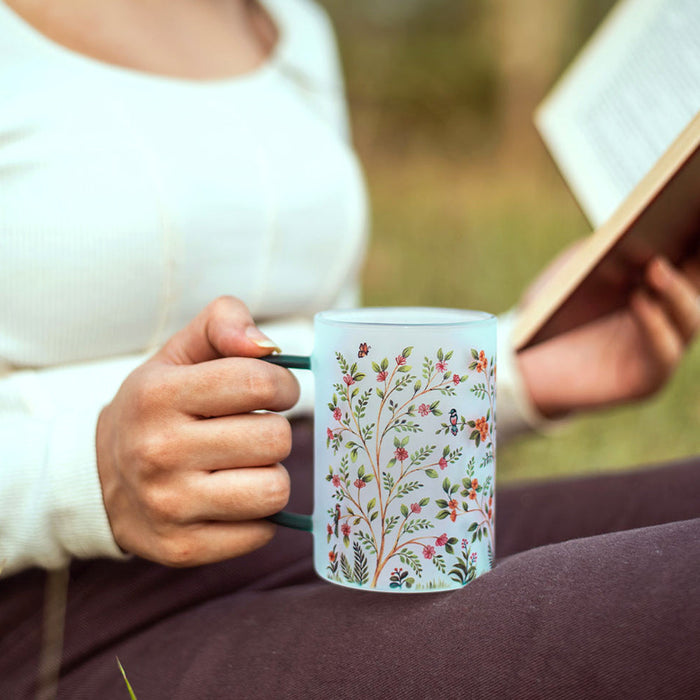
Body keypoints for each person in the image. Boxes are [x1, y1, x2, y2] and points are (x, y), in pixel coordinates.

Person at [0, 0, 698, 698]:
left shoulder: (290, 25)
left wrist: (509, 378)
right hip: (80, 609)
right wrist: (89, 477)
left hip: (346, 526)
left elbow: (334, 351)